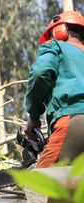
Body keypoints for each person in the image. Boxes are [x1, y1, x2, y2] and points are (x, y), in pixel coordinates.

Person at [24, 11, 84, 168]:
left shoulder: (56, 46)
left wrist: (34, 116)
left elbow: (40, 73)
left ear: (60, 31)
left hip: (74, 122)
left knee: (40, 184)